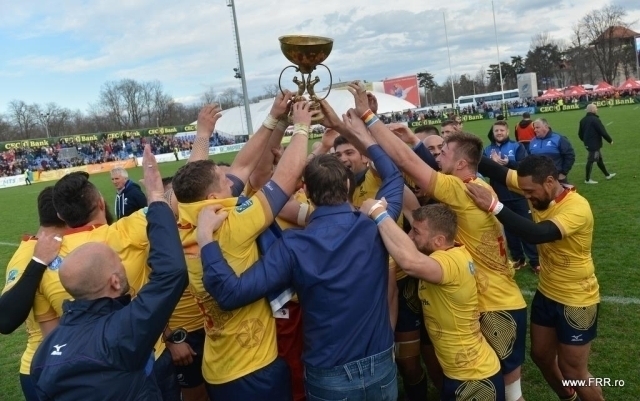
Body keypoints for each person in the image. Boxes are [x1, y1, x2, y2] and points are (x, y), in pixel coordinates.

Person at [198, 110, 403, 400]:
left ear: (305, 190)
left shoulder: (293, 244)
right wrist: (347, 127)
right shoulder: (375, 224)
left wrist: (206, 240)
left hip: (330, 372)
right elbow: (393, 172)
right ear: (347, 185)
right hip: (380, 361)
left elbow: (231, 293)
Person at [343, 82, 527, 401]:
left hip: (498, 304)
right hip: (501, 296)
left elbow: (407, 161)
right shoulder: (480, 187)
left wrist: (370, 117)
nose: (436, 156)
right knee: (505, 389)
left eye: (442, 152)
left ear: (459, 164)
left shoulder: (461, 190)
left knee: (510, 393)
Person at [171, 95, 310, 401]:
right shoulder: (232, 224)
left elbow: (242, 165)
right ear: (212, 199)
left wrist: (274, 118)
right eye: (222, 179)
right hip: (253, 369)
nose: (230, 178)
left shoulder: (184, 218)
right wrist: (301, 127)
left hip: (217, 367)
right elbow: (285, 178)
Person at [30, 149, 194, 401]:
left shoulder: (43, 256)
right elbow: (186, 191)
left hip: (80, 358)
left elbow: (48, 327)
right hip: (147, 350)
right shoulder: (128, 230)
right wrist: (156, 188)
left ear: (61, 216)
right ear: (100, 203)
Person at [470, 154, 603, 401]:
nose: (526, 196)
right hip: (547, 293)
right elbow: (497, 171)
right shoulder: (533, 185)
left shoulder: (577, 207)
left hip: (577, 300)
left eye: (530, 191)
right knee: (541, 356)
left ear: (550, 181)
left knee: (574, 370)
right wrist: (462, 148)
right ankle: (569, 397)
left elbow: (537, 233)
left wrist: (494, 206)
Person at [360, 200, 505, 401]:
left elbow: (409, 262)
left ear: (438, 241)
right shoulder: (447, 254)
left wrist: (377, 212)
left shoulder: (450, 262)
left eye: (416, 232)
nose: (410, 237)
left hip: (475, 379)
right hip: (459, 375)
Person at [0, 187, 65, 401]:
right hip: (42, 370)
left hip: (71, 362)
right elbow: (5, 319)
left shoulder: (71, 244)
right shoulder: (28, 252)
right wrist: (38, 263)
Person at [484, 120, 540, 273]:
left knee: (526, 228)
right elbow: (482, 171)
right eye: (496, 131)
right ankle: (518, 259)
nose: (499, 133)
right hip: (500, 196)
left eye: (502, 130)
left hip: (519, 195)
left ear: (507, 132)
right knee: (509, 230)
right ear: (493, 132)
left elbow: (524, 166)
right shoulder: (487, 150)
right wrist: (492, 164)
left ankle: (535, 261)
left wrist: (508, 162)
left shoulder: (517, 146)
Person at [528, 119, 575, 184]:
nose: (535, 130)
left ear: (546, 126)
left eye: (537, 127)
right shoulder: (533, 141)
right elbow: (529, 158)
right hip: (538, 179)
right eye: (534, 128)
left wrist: (563, 173)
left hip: (557, 178)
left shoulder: (559, 138)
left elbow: (569, 155)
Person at [578, 104, 615, 184]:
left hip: (589, 143)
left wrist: (585, 140)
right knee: (591, 160)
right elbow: (602, 131)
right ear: (592, 110)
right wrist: (610, 140)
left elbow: (580, 134)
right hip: (593, 144)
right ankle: (587, 180)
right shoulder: (595, 120)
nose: (597, 109)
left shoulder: (583, 120)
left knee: (599, 159)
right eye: (596, 108)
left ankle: (607, 175)